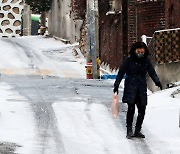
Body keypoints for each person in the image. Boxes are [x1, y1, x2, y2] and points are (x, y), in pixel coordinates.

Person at [113, 41, 162, 139]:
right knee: (131, 109)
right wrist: (116, 85)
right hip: (131, 86)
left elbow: (152, 72)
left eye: (142, 52)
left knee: (142, 110)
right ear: (134, 51)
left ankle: (137, 130)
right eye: (138, 52)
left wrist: (157, 81)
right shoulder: (128, 60)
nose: (140, 54)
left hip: (141, 87)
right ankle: (129, 130)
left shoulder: (146, 60)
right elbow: (121, 73)